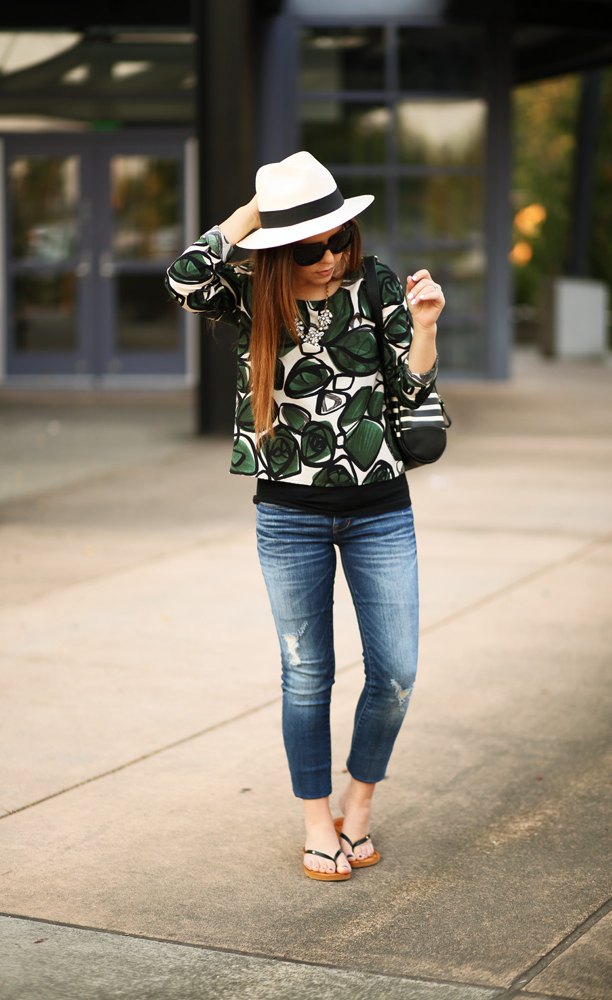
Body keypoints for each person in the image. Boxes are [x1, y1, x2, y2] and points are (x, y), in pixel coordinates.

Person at [166, 151, 445, 882]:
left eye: (337, 240)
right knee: (305, 674)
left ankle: (360, 802)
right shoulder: (253, 294)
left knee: (397, 672)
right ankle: (317, 821)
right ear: (279, 250)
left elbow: (412, 400)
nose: (328, 258)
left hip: (380, 507)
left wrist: (425, 326)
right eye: (309, 247)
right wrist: (256, 219)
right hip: (288, 515)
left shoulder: (375, 281)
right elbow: (185, 277)